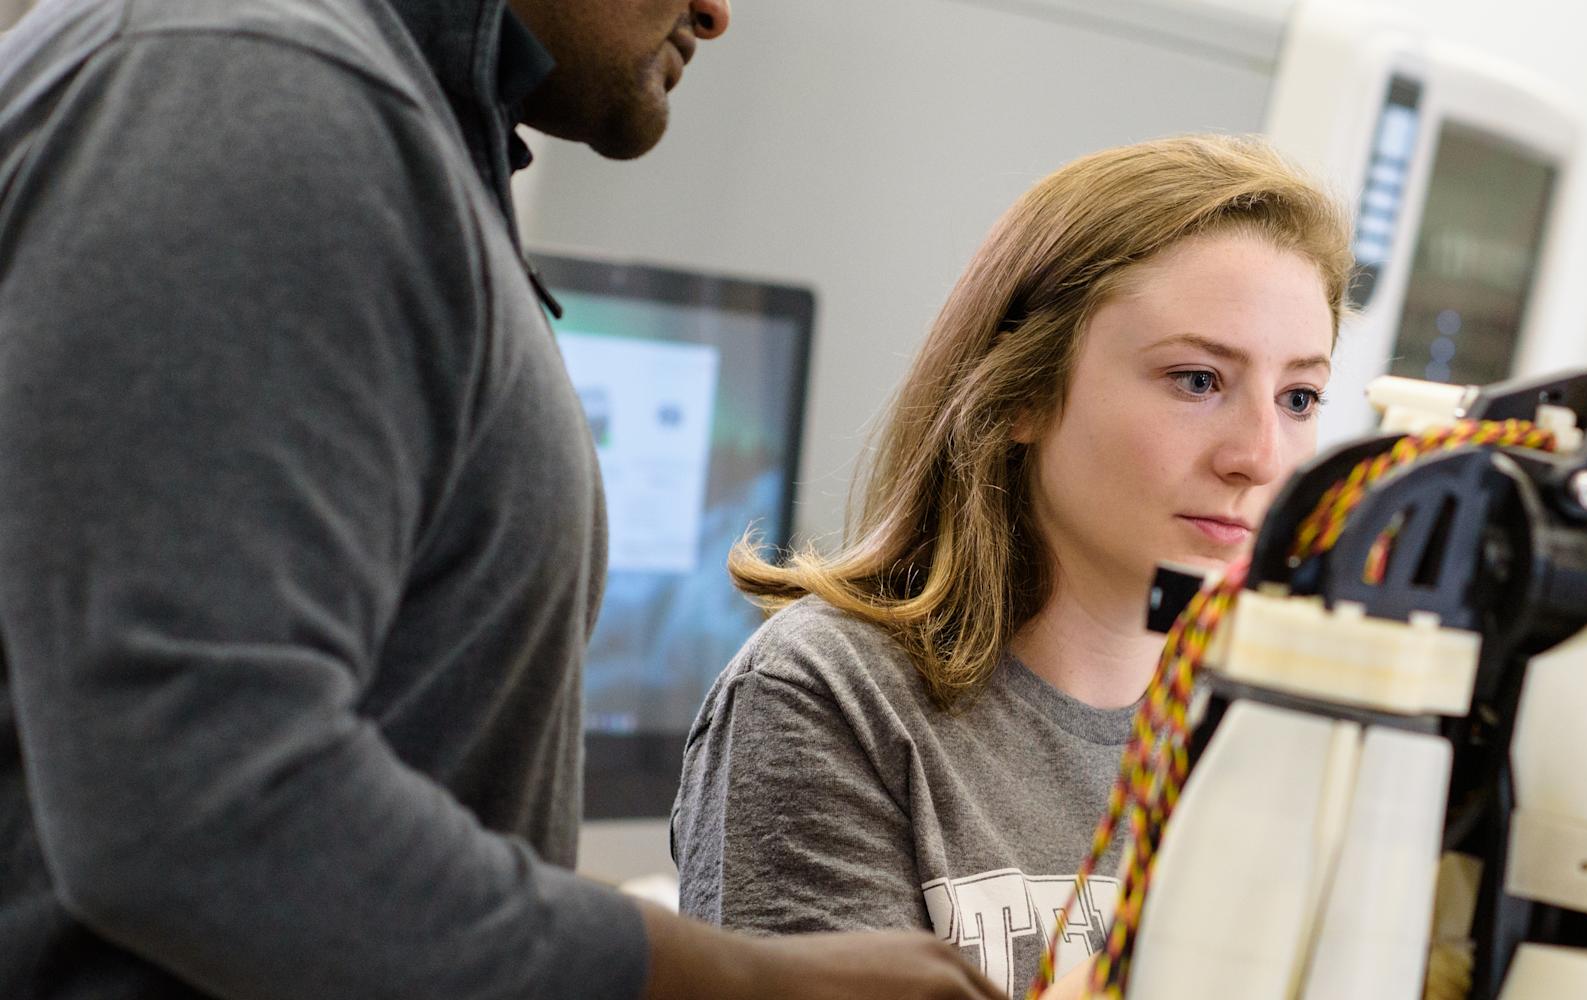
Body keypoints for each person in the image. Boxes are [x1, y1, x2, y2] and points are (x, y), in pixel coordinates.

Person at [0, 0, 998, 997]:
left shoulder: (375, 121)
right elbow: (194, 798)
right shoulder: (254, 85)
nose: (717, 12)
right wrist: (739, 982)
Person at [672, 134, 1353, 998]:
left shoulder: (1276, 728)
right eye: (1196, 380)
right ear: (1022, 391)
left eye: (1299, 398)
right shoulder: (831, 696)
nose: (1259, 456)